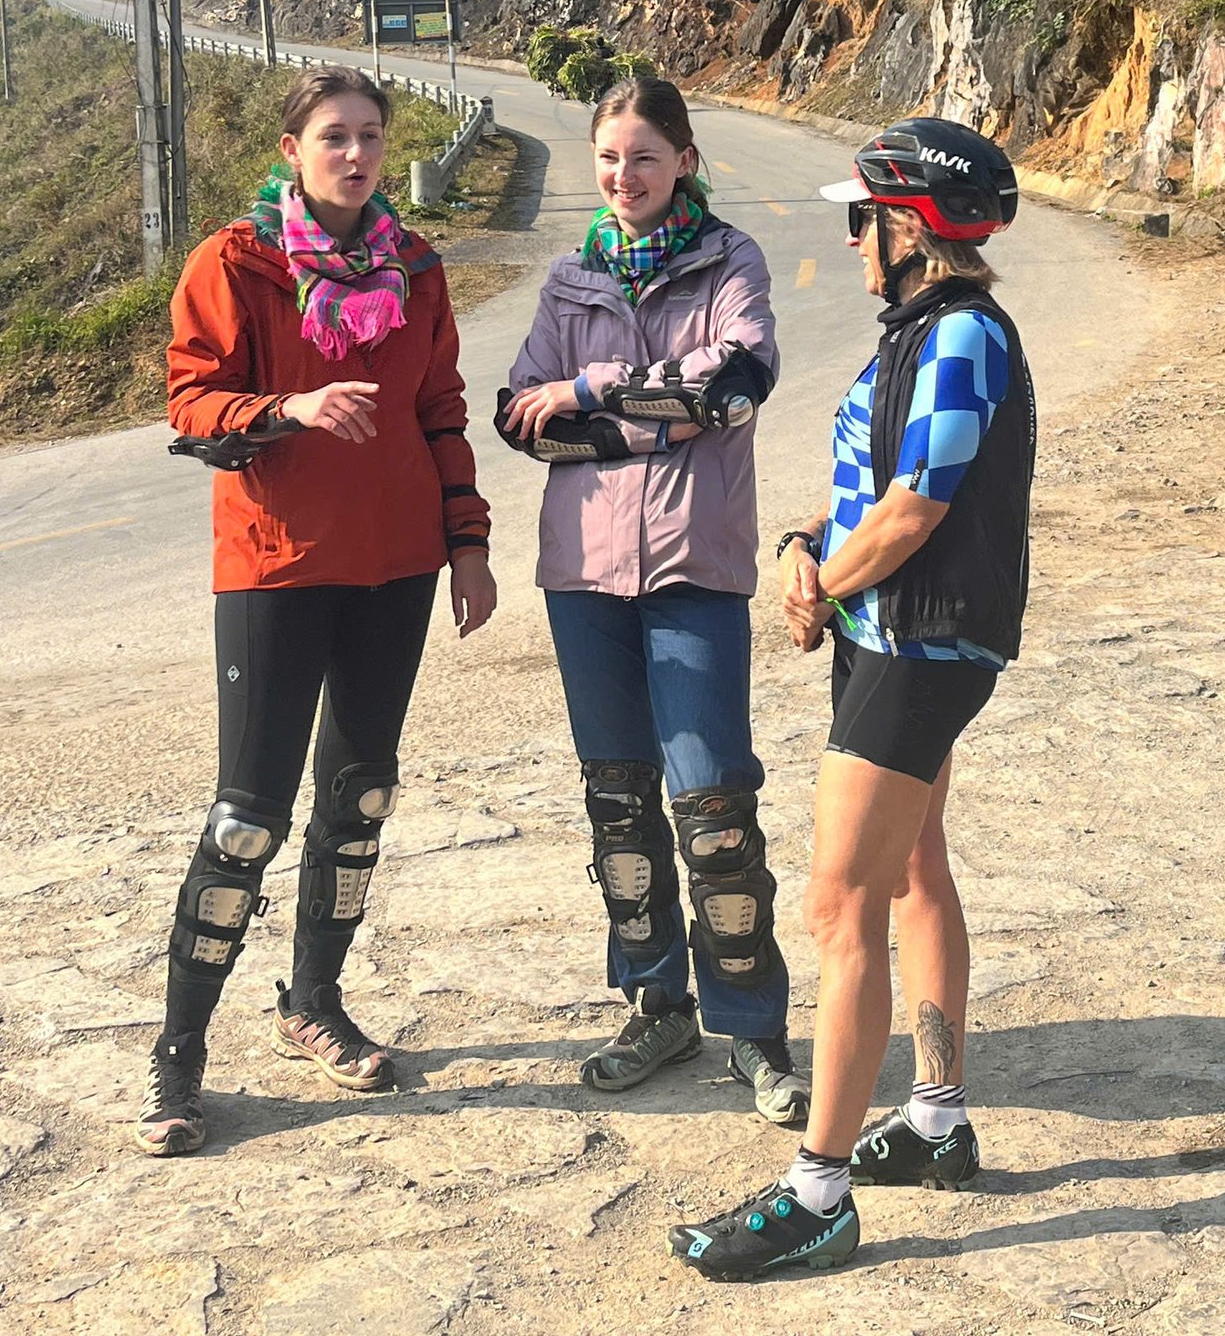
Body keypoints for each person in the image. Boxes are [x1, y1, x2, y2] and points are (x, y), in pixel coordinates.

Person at [669, 117, 1035, 1280]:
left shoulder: (964, 336)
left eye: (860, 219)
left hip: (917, 648)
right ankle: (935, 1122)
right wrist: (799, 546)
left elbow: (916, 509)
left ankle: (816, 1191)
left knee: (839, 910)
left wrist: (822, 585)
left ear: (908, 232)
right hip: (893, 634)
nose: (851, 237)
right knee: (916, 871)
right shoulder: (923, 332)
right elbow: (867, 484)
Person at [134, 65, 496, 1157]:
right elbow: (190, 402)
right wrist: (285, 408)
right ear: (292, 149)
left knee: (360, 799)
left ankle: (314, 1004)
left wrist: (468, 545)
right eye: (333, 136)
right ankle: (177, 1055)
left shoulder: (418, 269)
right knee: (247, 817)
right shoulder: (234, 264)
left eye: (371, 136)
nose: (355, 153)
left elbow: (440, 409)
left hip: (398, 569)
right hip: (276, 568)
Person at [498, 76, 807, 1128]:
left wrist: (588, 395)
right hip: (581, 576)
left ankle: (754, 1028)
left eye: (641, 157)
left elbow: (738, 380)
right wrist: (664, 415)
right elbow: (513, 418)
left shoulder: (731, 263)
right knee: (619, 806)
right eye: (607, 159)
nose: (622, 176)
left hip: (691, 570)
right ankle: (654, 1002)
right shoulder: (569, 278)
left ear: (682, 159)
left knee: (713, 806)